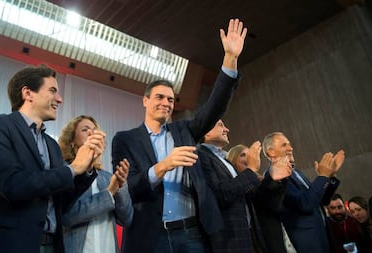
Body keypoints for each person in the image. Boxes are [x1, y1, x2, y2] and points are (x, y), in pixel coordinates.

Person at [111, 18, 247, 253]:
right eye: (160, 97)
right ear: (145, 101)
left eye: (171, 100)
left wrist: (230, 60)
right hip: (151, 236)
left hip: (192, 234)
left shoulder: (185, 130)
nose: (166, 103)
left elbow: (214, 107)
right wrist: (163, 166)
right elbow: (128, 188)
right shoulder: (125, 139)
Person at [0, 65, 105, 253]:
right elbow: (12, 184)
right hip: (6, 244)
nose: (60, 99)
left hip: (49, 245)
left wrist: (86, 167)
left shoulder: (52, 146)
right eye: (52, 90)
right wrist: (73, 168)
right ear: (28, 93)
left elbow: (62, 203)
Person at [199, 120, 291, 252]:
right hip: (229, 240)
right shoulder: (201, 156)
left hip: (250, 237)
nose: (227, 129)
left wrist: (272, 177)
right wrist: (252, 169)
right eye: (220, 125)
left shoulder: (225, 162)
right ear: (206, 131)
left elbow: (260, 200)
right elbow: (221, 195)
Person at [59, 115, 133, 253]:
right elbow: (67, 217)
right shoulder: (65, 173)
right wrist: (109, 194)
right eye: (85, 129)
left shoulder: (107, 177)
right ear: (72, 141)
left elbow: (126, 219)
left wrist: (121, 187)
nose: (91, 133)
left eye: (94, 130)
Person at [262, 131, 345, 253]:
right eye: (284, 145)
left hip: (320, 238)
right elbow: (305, 204)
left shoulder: (296, 173)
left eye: (289, 144)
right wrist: (322, 177)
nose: (290, 148)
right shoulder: (274, 177)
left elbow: (319, 200)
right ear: (271, 152)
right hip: (306, 243)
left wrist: (329, 176)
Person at [227, 143, 295, 253]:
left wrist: (280, 178)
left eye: (250, 155)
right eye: (243, 155)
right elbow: (260, 200)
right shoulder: (234, 186)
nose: (248, 158)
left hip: (275, 236)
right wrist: (272, 179)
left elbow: (274, 205)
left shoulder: (260, 180)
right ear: (233, 161)